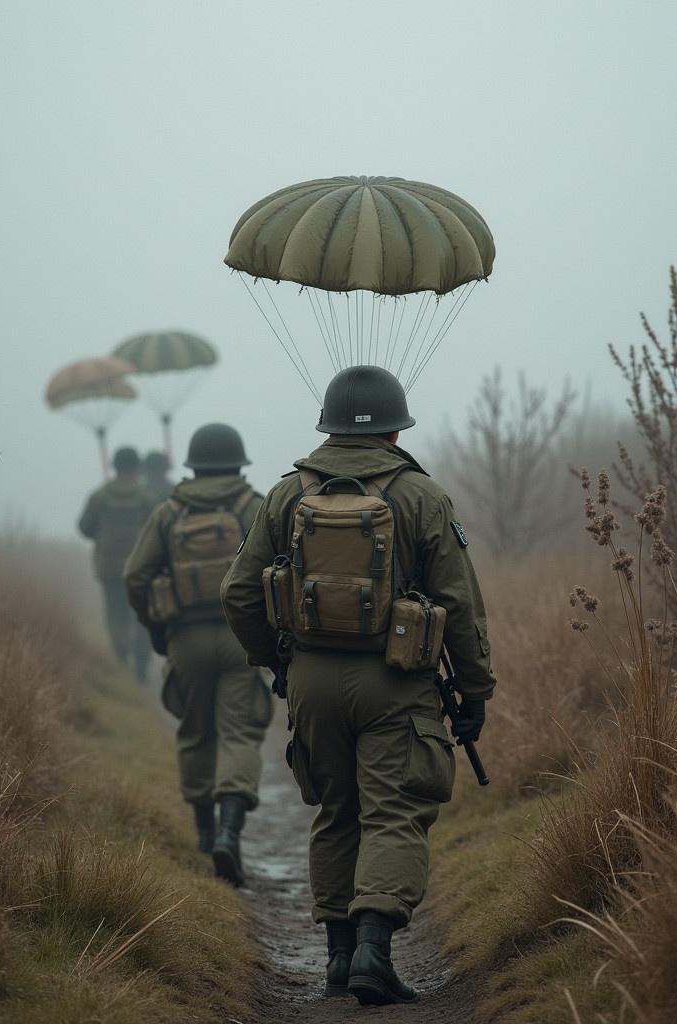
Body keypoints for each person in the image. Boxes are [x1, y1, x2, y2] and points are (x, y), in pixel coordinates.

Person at [221, 366, 496, 1005]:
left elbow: (239, 591)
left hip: (312, 679)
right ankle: (376, 952)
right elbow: (459, 600)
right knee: (395, 810)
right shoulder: (422, 496)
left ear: (327, 426)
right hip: (398, 679)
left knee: (336, 811)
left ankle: (339, 962)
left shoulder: (286, 493)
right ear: (397, 429)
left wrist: (278, 663)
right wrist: (475, 690)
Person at [124, 423, 273, 884]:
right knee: (239, 733)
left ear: (192, 464)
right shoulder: (254, 506)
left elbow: (135, 575)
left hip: (185, 638)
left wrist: (156, 629)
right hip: (241, 639)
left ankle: (206, 835)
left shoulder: (169, 511)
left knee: (195, 731)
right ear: (239, 462)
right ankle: (231, 834)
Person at [78, 446, 154, 681]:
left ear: (115, 466)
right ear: (137, 468)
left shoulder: (100, 496)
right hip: (140, 567)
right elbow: (157, 529)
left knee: (115, 614)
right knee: (141, 617)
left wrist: (101, 536)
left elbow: (84, 527)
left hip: (109, 568)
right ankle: (141, 664)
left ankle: (121, 654)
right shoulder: (146, 497)